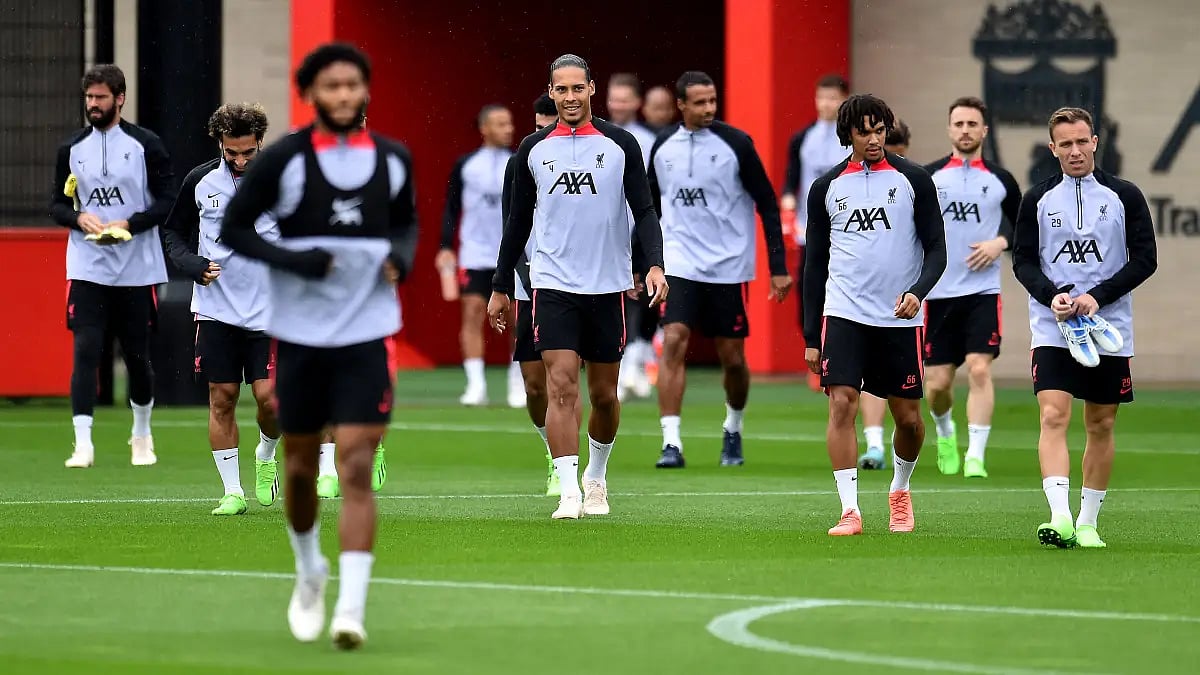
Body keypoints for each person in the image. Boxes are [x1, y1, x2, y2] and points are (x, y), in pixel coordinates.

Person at [221, 42, 418, 648]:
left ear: (366, 91)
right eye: (331, 85)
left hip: (367, 335)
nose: (343, 95)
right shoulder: (284, 160)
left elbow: (406, 223)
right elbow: (235, 228)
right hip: (302, 339)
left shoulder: (392, 158)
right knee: (302, 469)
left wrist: (401, 259)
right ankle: (310, 569)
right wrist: (294, 260)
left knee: (355, 465)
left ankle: (351, 611)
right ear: (309, 93)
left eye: (353, 84)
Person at [487, 53, 668, 520]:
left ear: (592, 89)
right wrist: (500, 283)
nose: (569, 97)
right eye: (561, 89)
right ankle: (568, 491)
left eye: (577, 88)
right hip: (551, 284)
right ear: (551, 92)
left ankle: (596, 477)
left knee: (604, 395)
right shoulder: (532, 149)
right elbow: (517, 221)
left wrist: (654, 263)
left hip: (607, 285)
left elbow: (645, 209)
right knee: (562, 385)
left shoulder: (621, 144)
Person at [1012, 106, 1156, 549]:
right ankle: (1060, 517)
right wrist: (1050, 295)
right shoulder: (1036, 199)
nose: (1075, 151)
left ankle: (1088, 523)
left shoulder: (1125, 195)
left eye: (1081, 141)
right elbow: (1023, 261)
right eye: (1065, 144)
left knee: (1101, 422)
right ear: (1052, 148)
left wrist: (1099, 296)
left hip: (1108, 323)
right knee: (1053, 414)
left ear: (1095, 142)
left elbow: (1145, 259)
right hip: (1053, 326)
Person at [802, 94, 947, 537]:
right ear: (848, 134)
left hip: (899, 318)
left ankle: (899, 490)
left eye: (880, 130)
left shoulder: (914, 180)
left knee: (910, 420)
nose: (874, 139)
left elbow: (938, 250)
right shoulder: (825, 188)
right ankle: (850, 510)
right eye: (864, 131)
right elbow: (814, 265)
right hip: (844, 312)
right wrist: (810, 336)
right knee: (842, 403)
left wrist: (918, 293)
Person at [647, 71, 791, 469]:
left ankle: (733, 427)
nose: (709, 108)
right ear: (681, 105)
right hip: (679, 261)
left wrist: (778, 266)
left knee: (733, 357)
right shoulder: (662, 145)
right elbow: (649, 208)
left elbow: (767, 202)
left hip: (729, 265)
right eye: (700, 102)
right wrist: (645, 262)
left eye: (712, 100)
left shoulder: (736, 144)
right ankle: (671, 442)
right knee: (673, 339)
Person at [51, 64, 175, 469]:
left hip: (137, 267)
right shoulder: (71, 148)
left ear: (119, 98)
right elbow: (56, 204)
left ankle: (141, 434)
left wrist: (129, 224)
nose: (93, 104)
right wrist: (78, 218)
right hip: (87, 265)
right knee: (86, 349)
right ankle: (82, 445)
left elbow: (166, 200)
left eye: (101, 97)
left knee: (136, 355)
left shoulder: (146, 144)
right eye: (89, 97)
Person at [160, 102, 282, 514]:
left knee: (271, 399)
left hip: (268, 307)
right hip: (216, 308)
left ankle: (266, 452)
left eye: (248, 152)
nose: (240, 160)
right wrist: (192, 265)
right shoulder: (199, 180)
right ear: (219, 144)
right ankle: (233, 492)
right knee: (223, 397)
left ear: (260, 142)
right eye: (232, 153)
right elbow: (173, 233)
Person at [922, 97, 1022, 479]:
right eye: (959, 123)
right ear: (949, 129)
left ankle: (976, 456)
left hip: (983, 293)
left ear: (984, 130)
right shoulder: (928, 177)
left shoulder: (1001, 180)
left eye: (972, 124)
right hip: (938, 295)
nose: (965, 130)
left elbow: (1023, 227)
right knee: (937, 385)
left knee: (980, 369)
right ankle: (946, 433)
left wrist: (1001, 242)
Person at [436, 105, 520, 407]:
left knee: (516, 318)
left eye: (509, 124)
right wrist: (445, 245)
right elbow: (451, 206)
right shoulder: (466, 164)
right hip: (474, 253)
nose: (508, 129)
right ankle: (476, 385)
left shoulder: (519, 161)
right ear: (484, 128)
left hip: (511, 254)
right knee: (472, 313)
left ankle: (517, 383)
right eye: (500, 124)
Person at [506, 92, 565, 496]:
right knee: (534, 385)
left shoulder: (584, 158)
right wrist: (516, 277)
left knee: (564, 379)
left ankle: (567, 464)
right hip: (528, 283)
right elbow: (511, 224)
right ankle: (550, 449)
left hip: (569, 284)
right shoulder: (521, 161)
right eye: (540, 125)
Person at [782, 74, 851, 391]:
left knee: (843, 293)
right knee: (809, 293)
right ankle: (816, 352)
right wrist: (787, 205)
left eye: (832, 98)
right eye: (821, 98)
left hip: (847, 232)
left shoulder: (853, 139)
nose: (826, 104)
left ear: (844, 99)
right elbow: (791, 180)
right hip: (809, 232)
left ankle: (840, 357)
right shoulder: (802, 138)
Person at [856, 117, 915, 470]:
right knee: (869, 377)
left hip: (910, 301)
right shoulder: (855, 187)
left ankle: (933, 432)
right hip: (865, 300)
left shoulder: (914, 183)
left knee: (915, 398)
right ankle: (875, 444)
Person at [606, 73, 658, 401]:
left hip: (640, 231)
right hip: (606, 233)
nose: (619, 105)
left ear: (637, 102)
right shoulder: (598, 136)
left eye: (625, 99)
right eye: (615, 98)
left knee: (640, 298)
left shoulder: (652, 140)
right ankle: (622, 366)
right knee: (611, 300)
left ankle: (634, 362)